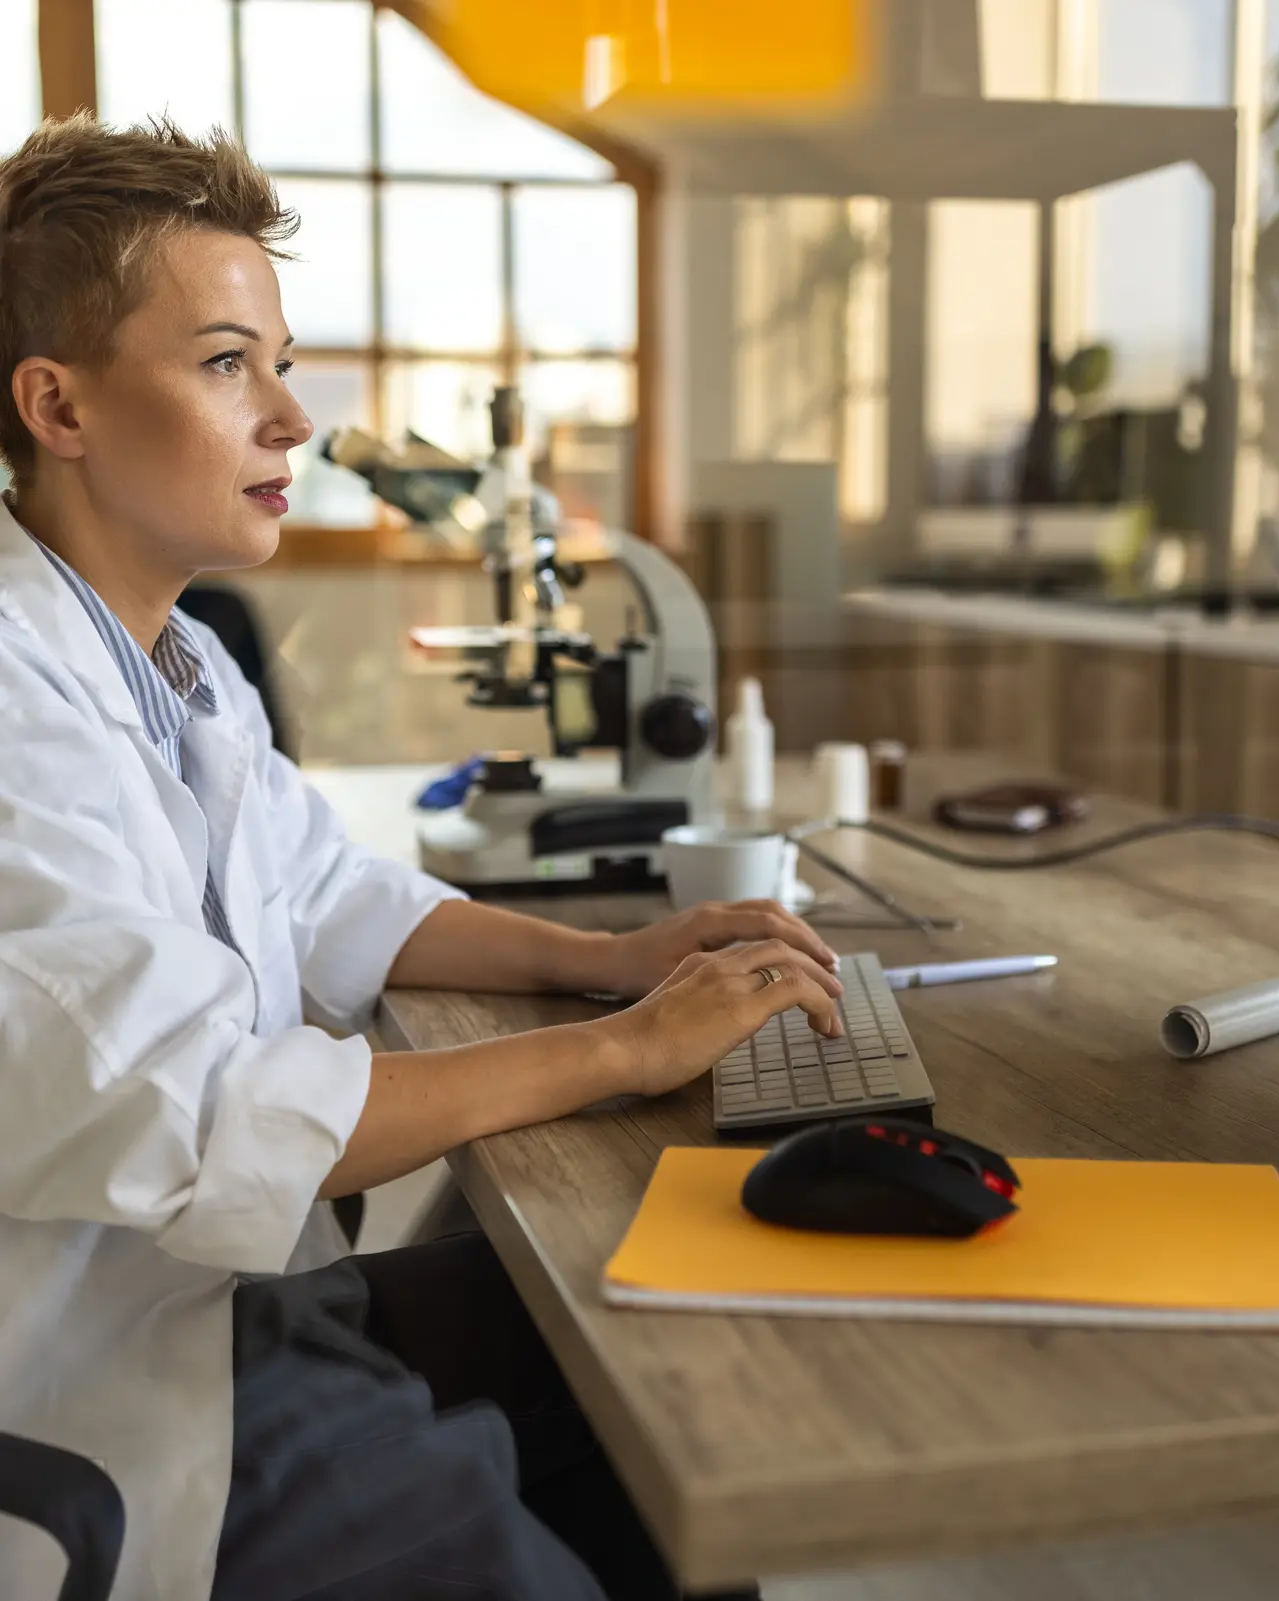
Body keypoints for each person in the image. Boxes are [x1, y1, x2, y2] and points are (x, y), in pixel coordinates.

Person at [0, 115, 845, 1601]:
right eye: (223, 363)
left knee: (661, 1368)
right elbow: (199, 1119)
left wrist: (608, 961)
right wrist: (623, 1051)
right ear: (56, 406)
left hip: (225, 1298)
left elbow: (328, 894)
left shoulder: (179, 658)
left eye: (277, 360)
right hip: (100, 1378)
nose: (291, 418)